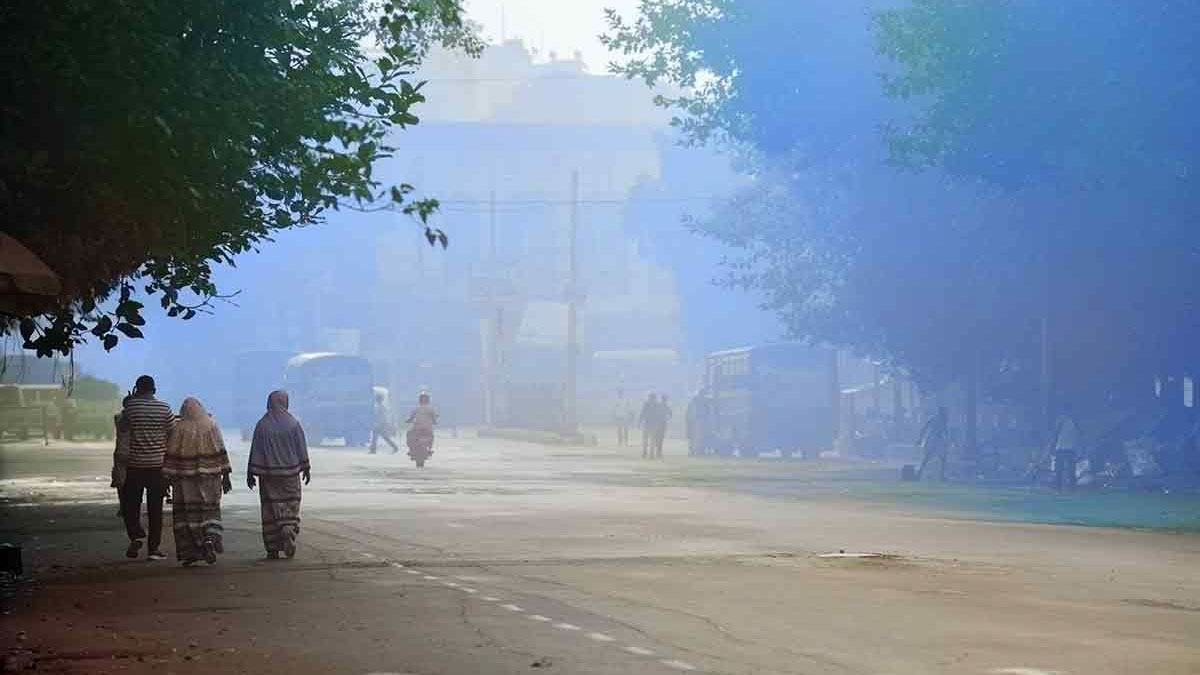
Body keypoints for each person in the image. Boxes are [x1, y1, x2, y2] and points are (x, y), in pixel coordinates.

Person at [163, 398, 233, 566]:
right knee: (209, 509)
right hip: (210, 478)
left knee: (187, 515)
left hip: (184, 481)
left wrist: (166, 481)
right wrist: (226, 476)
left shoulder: (179, 428)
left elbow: (171, 454)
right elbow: (220, 449)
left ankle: (191, 552)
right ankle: (209, 537)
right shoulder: (211, 425)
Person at [247, 391, 311, 560]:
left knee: (270, 510)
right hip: (291, 475)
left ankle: (272, 549)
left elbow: (255, 450)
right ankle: (288, 527)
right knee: (291, 505)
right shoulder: (294, 424)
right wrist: (306, 468)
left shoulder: (262, 425)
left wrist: (251, 473)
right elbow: (301, 448)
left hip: (268, 477)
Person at [121, 375, 175, 561]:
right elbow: (172, 434)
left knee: (131, 506)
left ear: (137, 389)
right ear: (154, 389)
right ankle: (154, 549)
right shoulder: (164, 408)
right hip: (157, 466)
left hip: (134, 466)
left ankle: (136, 535)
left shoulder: (130, 408)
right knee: (155, 509)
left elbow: (122, 432)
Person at [110, 395, 133, 520]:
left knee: (121, 483)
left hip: (121, 454)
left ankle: (124, 507)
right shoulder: (123, 418)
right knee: (126, 483)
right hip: (132, 454)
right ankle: (126, 508)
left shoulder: (118, 417)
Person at [916, 406, 949, 481]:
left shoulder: (944, 420)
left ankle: (942, 476)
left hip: (939, 440)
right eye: (944, 411)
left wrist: (947, 439)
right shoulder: (934, 418)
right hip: (933, 439)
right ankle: (919, 473)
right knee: (927, 457)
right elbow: (925, 428)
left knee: (943, 458)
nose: (944, 413)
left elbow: (945, 431)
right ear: (940, 411)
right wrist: (920, 439)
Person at [1051, 408, 1082, 491]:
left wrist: (1052, 446)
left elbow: (1055, 433)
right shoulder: (1068, 420)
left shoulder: (1066, 420)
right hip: (1066, 448)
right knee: (1066, 469)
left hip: (1065, 448)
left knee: (1066, 469)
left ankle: (1063, 487)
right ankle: (1063, 487)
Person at [405, 392, 439, 456]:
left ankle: (411, 449)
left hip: (417, 429)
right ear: (428, 400)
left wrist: (407, 421)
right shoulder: (431, 409)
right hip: (427, 429)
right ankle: (429, 449)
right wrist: (435, 422)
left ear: (419, 400)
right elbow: (434, 419)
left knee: (409, 434)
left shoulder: (416, 408)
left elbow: (410, 418)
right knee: (431, 436)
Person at [639, 393, 659, 459]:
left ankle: (646, 452)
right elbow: (642, 413)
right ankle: (651, 453)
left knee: (646, 439)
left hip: (648, 424)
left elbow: (642, 413)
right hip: (652, 424)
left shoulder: (647, 404)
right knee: (651, 440)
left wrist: (639, 421)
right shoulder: (656, 405)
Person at [654, 394, 673, 459]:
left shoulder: (659, 405)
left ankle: (658, 449)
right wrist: (667, 418)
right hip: (661, 423)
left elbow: (670, 413)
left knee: (659, 437)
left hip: (660, 423)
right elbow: (670, 413)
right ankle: (659, 450)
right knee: (660, 437)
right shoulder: (664, 406)